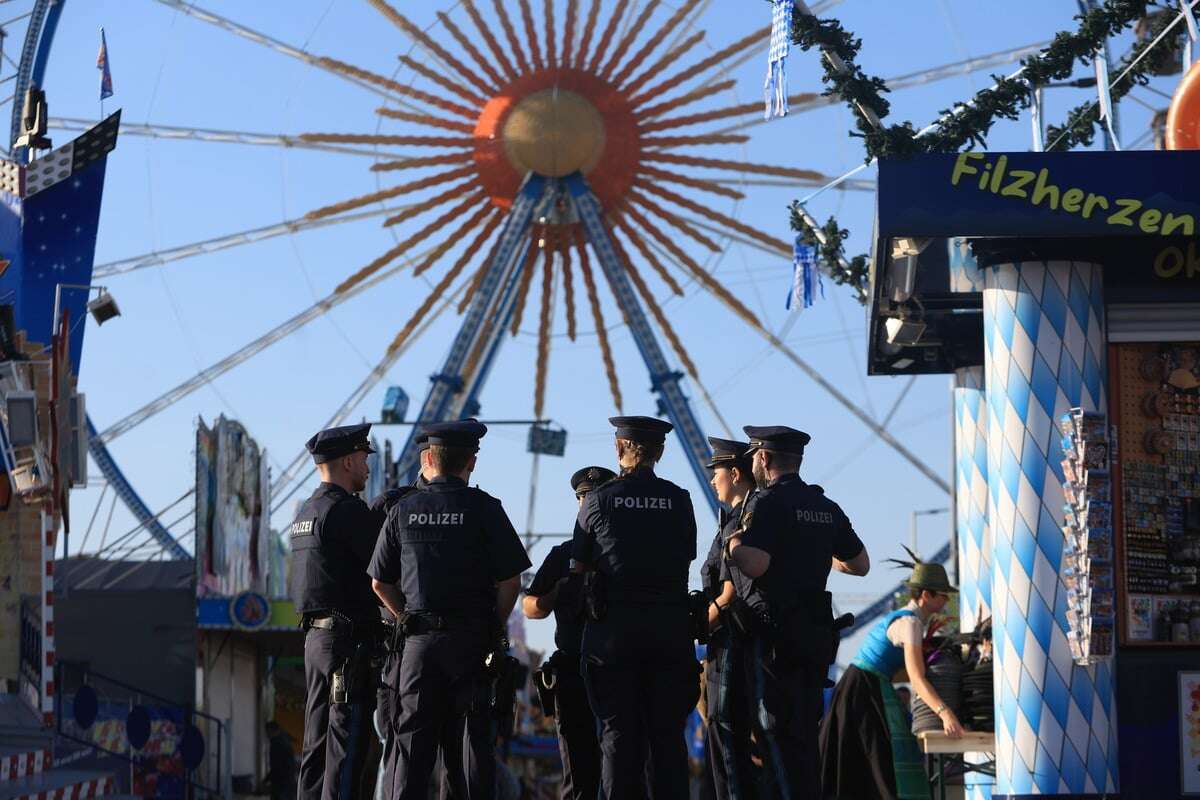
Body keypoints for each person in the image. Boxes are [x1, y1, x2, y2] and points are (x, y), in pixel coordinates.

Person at [368, 420, 531, 800]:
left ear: (428, 458)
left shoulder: (402, 509)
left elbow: (379, 582)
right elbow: (511, 580)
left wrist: (404, 616)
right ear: (471, 462)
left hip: (418, 647)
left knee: (409, 749)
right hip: (471, 645)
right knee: (470, 748)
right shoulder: (485, 509)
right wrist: (495, 625)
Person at [725, 425, 870, 799]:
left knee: (775, 739)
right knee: (805, 739)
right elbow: (860, 564)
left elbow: (755, 565)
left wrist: (733, 545)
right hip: (816, 637)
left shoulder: (766, 503)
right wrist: (818, 553)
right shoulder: (825, 506)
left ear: (763, 458)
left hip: (775, 638)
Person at [573, 416, 699, 799]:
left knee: (617, 735)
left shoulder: (597, 500)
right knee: (667, 737)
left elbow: (579, 565)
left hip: (613, 633)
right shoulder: (679, 500)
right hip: (669, 631)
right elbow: (686, 557)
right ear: (659, 452)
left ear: (618, 450)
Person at [289, 423, 385, 800]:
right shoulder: (346, 511)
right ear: (347, 461)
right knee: (347, 743)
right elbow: (385, 566)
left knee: (317, 742)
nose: (367, 467)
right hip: (348, 645)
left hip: (316, 640)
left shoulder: (305, 511)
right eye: (363, 459)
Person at [820, 551, 963, 800]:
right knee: (879, 764)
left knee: (869, 765)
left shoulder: (904, 620)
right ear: (926, 595)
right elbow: (916, 678)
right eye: (942, 595)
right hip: (863, 692)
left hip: (862, 687)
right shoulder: (911, 624)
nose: (945, 601)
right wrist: (945, 712)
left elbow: (902, 673)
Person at [523, 465, 616, 800]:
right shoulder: (563, 555)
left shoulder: (620, 554)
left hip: (616, 667)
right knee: (577, 770)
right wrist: (557, 592)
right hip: (574, 668)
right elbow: (531, 607)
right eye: (583, 498)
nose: (588, 504)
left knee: (620, 766)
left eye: (595, 498)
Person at [701, 437, 758, 799]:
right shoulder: (736, 520)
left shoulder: (742, 524)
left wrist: (692, 628)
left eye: (716, 474)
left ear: (735, 473)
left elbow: (729, 593)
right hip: (728, 639)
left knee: (726, 733)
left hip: (731, 640)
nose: (712, 481)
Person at [262, 721, 297, 800]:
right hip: (288, 782)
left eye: (267, 732)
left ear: (272, 730)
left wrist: (266, 780)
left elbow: (276, 766)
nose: (267, 735)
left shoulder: (276, 743)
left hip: (280, 785)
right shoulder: (284, 739)